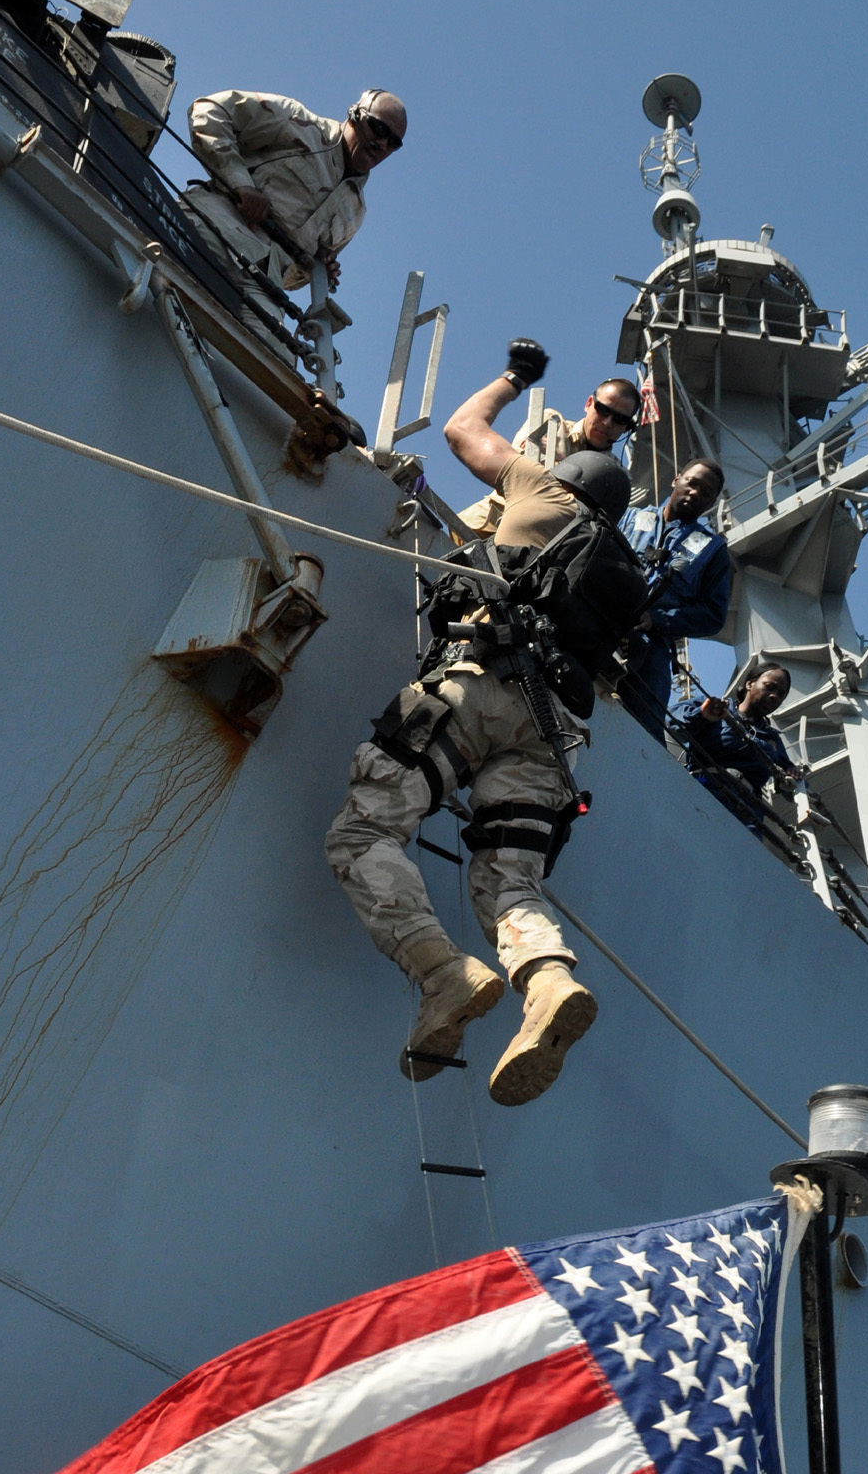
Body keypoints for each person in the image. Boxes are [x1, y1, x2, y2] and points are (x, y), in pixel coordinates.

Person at [325, 340, 649, 1107]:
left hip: (480, 688)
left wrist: (513, 381)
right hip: (552, 732)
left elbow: (462, 430)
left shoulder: (538, 487)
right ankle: (546, 984)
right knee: (511, 884)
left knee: (363, 832)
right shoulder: (626, 574)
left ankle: (442, 975)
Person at [184, 87, 407, 297]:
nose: (382, 143)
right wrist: (240, 184)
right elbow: (209, 111)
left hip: (259, 285)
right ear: (355, 115)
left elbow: (290, 280)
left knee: (266, 338)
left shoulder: (354, 213)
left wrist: (314, 271)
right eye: (379, 129)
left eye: (394, 143)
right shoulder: (299, 124)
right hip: (214, 229)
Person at [618, 461, 732, 741]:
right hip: (601, 621)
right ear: (676, 479)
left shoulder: (713, 550)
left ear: (711, 503)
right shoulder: (629, 517)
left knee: (643, 732)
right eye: (692, 483)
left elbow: (713, 615)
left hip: (650, 649)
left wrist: (657, 620)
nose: (695, 493)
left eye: (706, 493)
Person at [458, 378, 642, 536]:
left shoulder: (616, 476)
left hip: (534, 553)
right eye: (602, 409)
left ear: (627, 427)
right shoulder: (551, 423)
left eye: (619, 419)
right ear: (588, 404)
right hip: (486, 525)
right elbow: (522, 474)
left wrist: (561, 462)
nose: (607, 422)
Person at [673, 663, 798, 830]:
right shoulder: (715, 706)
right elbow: (672, 720)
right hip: (704, 789)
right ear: (749, 684)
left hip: (748, 812)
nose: (774, 696)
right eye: (770, 687)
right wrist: (702, 715)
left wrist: (794, 776)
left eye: (781, 694)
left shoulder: (772, 739)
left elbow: (789, 785)